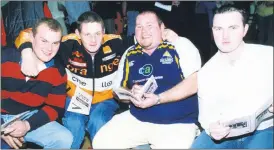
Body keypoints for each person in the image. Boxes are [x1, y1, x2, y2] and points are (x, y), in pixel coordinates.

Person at [17, 11, 177, 149]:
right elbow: (29, 33)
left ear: (104, 31)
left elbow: (143, 38)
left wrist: (166, 33)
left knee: (98, 120)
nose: (93, 40)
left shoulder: (115, 42)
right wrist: (26, 52)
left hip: (105, 100)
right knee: (74, 123)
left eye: (97, 34)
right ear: (78, 34)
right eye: (87, 34)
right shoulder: (69, 43)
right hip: (75, 98)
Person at [93, 10, 202, 149]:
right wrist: (130, 94)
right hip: (138, 119)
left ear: (162, 28)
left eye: (149, 25)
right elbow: (117, 90)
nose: (144, 31)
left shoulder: (179, 45)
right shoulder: (130, 53)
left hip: (177, 123)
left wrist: (158, 98)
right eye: (139, 26)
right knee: (101, 142)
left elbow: (194, 83)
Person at [190, 5, 273, 149]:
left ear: (245, 30)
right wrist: (212, 129)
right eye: (218, 29)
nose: (225, 36)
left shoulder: (267, 56)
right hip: (226, 133)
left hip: (264, 129)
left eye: (232, 28)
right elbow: (206, 116)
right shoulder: (206, 72)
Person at [1, 18, 73, 149]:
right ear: (32, 38)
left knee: (64, 138)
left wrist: (27, 124)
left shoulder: (57, 72)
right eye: (44, 41)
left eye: (55, 43)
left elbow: (55, 107)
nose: (49, 49)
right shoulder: (6, 58)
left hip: (27, 115)